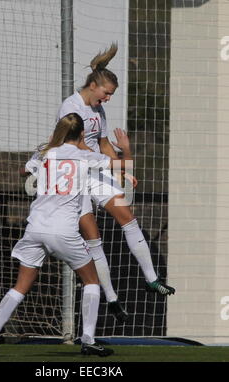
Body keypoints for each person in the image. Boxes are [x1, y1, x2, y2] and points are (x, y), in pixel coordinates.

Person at [0, 113, 127, 358]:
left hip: (35, 228)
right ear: (81, 135)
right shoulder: (84, 156)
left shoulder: (45, 153)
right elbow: (120, 167)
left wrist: (44, 154)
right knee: (91, 282)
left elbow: (23, 172)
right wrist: (126, 150)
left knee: (20, 286)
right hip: (63, 231)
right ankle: (88, 340)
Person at [57, 43, 175, 299]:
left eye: (110, 95)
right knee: (93, 240)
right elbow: (74, 148)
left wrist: (123, 170)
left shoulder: (98, 110)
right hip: (77, 178)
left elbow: (101, 144)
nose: (108, 99)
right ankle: (110, 297)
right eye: (106, 93)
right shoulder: (71, 107)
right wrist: (115, 163)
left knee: (128, 219)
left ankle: (152, 280)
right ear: (93, 86)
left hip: (97, 172)